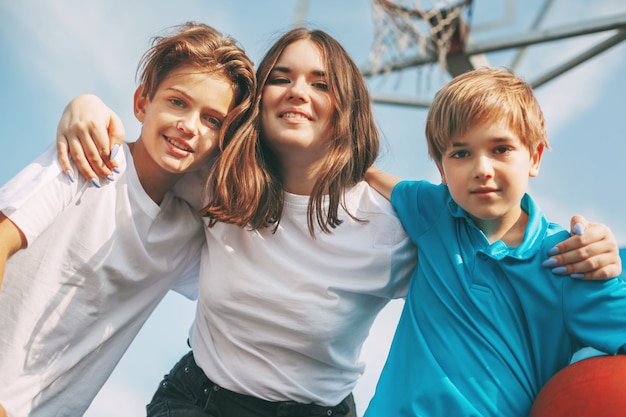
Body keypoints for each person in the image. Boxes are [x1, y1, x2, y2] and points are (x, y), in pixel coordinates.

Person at [55, 30, 622, 417]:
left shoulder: (396, 228)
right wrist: (84, 105)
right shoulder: (217, 181)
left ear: (344, 107)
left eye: (321, 83)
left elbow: (470, 233)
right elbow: (143, 153)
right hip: (200, 398)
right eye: (281, 76)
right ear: (260, 98)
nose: (299, 91)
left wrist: (602, 254)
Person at [0, 22, 256, 417]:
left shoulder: (187, 233)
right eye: (177, 102)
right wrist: (85, 104)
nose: (189, 126)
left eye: (212, 120)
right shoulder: (89, 156)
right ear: (142, 103)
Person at [362, 67, 626, 417]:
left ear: (534, 157)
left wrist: (613, 259)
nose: (481, 168)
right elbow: (367, 172)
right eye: (460, 154)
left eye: (500, 149)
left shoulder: (569, 260)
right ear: (441, 170)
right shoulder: (432, 212)